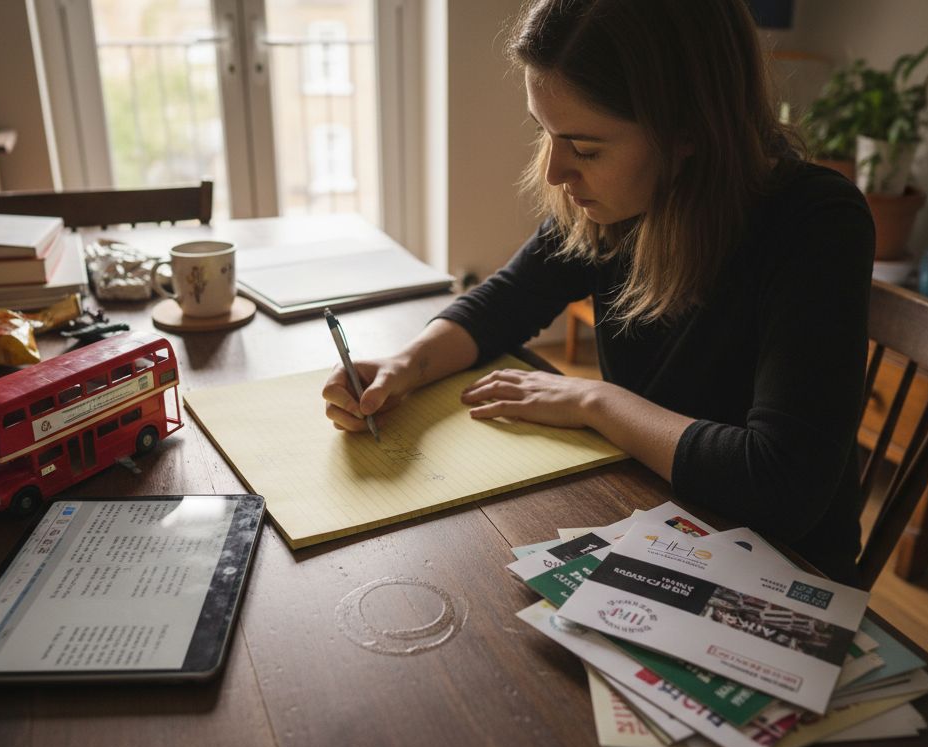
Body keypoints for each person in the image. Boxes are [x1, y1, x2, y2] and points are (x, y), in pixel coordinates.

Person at [321, 0, 874, 584]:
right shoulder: (616, 202)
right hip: (653, 506)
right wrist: (405, 365)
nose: (556, 171)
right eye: (546, 133)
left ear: (689, 130)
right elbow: (508, 300)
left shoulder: (816, 223)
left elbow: (780, 487)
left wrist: (593, 401)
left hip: (779, 567)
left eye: (585, 148)